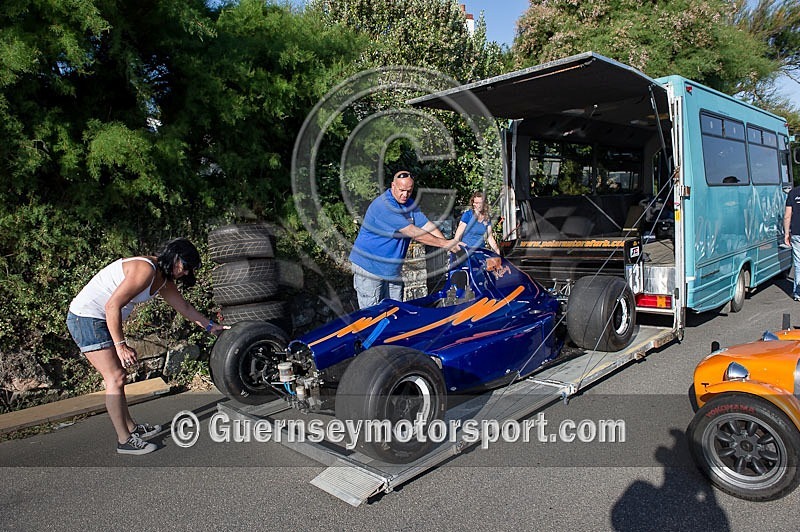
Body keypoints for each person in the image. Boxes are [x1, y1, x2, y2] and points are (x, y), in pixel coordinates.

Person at [66, 238, 226, 454]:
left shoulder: (162, 279)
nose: (186, 273)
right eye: (186, 267)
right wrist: (121, 345)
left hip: (98, 318)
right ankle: (124, 440)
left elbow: (185, 307)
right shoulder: (145, 269)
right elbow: (112, 305)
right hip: (86, 318)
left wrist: (210, 327)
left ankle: (131, 428)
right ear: (175, 257)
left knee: (119, 376)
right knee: (115, 378)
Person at [349, 170, 465, 309]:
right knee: (372, 316)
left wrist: (449, 243)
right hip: (370, 268)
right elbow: (414, 233)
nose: (405, 195)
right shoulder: (384, 206)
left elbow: (427, 225)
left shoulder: (409, 204)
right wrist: (445, 244)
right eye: (401, 190)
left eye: (409, 191)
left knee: (396, 312)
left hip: (392, 271)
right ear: (393, 186)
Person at [784, 186, 800, 301]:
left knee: (798, 264)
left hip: (797, 233)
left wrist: (786, 234)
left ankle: (798, 293)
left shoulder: (793, 192)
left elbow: (787, 216)